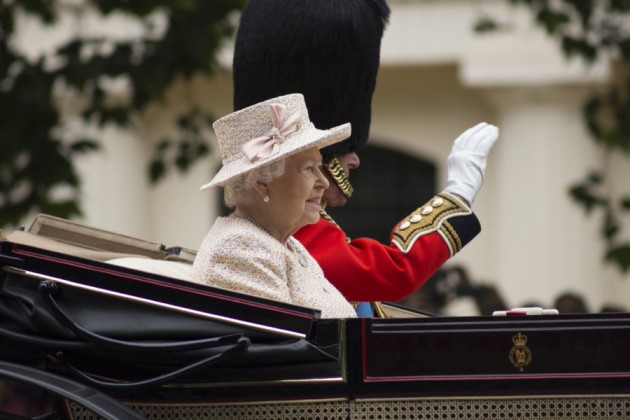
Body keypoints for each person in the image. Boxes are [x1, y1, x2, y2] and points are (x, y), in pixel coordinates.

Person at [232, 0, 499, 316]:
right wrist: (456, 196)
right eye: (309, 163)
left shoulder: (302, 225)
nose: (356, 160)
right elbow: (393, 272)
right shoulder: (292, 232)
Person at [191, 93, 357, 319]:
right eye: (309, 168)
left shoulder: (287, 244)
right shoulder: (241, 248)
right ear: (261, 182)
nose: (324, 182)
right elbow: (289, 349)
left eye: (320, 167)